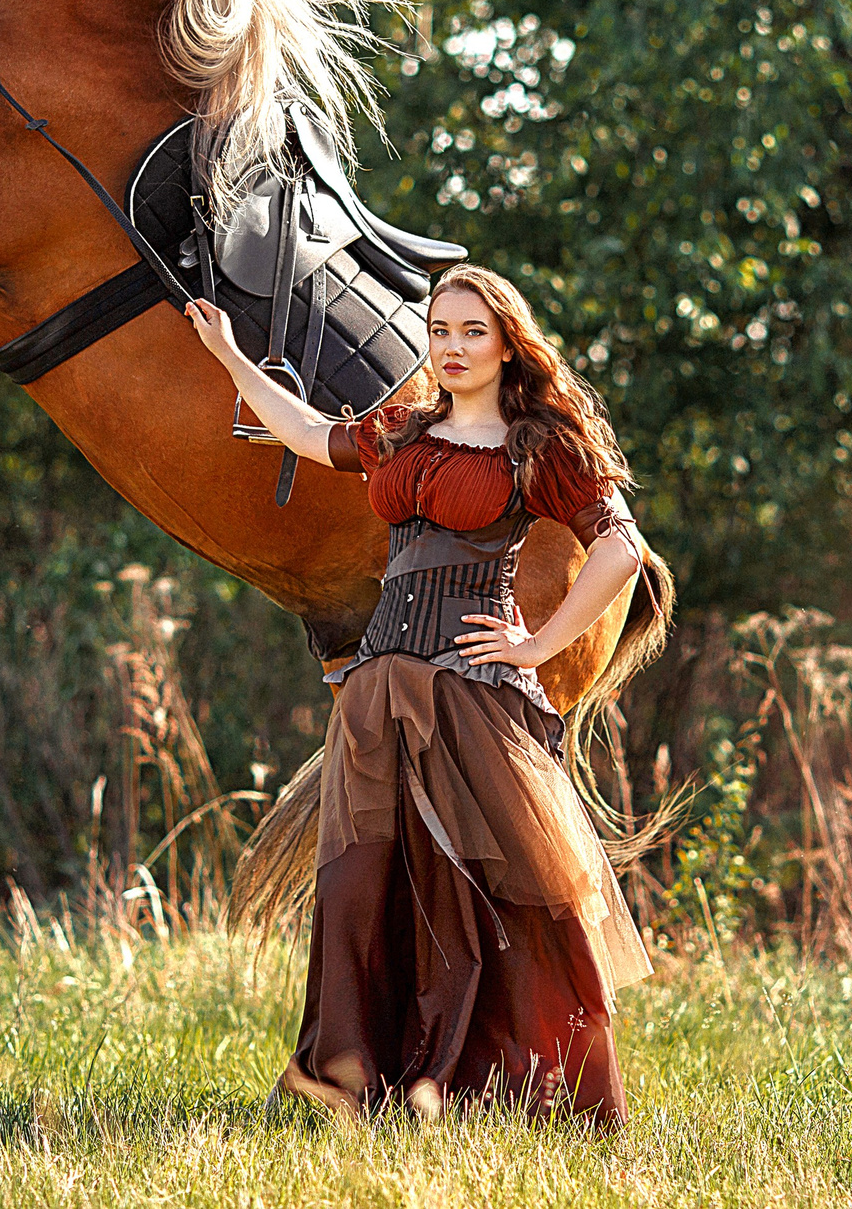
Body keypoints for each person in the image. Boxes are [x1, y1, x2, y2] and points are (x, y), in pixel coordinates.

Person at [184, 263, 666, 1128]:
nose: (451, 347)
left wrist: (538, 643)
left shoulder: (536, 445)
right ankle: (357, 1081)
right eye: (440, 330)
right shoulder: (403, 429)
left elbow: (621, 547)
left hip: (474, 691)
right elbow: (307, 434)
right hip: (379, 688)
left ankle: (519, 1087)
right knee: (366, 884)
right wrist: (229, 357)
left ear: (508, 342)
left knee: (499, 893)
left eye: (472, 331)